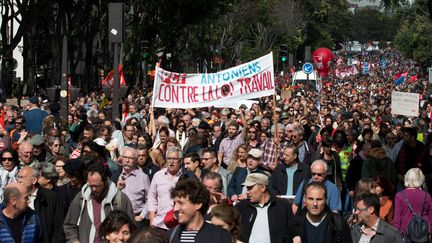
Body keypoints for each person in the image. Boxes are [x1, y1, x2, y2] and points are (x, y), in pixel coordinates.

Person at [63, 161, 134, 243]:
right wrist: (74, 241)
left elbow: (132, 228)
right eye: (91, 186)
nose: (93, 189)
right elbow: (69, 226)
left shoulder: (121, 199)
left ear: (105, 182)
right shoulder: (81, 198)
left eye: (97, 186)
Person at [167, 178, 232, 243]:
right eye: (175, 203)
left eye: (181, 203)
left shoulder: (220, 236)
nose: (176, 209)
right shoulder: (170, 236)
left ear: (198, 204)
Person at [236, 173, 294, 243]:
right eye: (247, 188)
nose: (247, 192)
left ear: (263, 188)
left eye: (250, 188)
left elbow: (293, 231)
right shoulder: (241, 207)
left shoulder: (283, 207)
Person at [17, 166, 64, 243]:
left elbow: (58, 226)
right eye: (18, 177)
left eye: (22, 177)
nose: (19, 181)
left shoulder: (51, 197)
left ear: (34, 180)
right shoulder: (15, 197)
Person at [148, 147, 184, 230]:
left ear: (180, 161)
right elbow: (151, 198)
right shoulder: (158, 176)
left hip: (178, 225)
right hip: (159, 224)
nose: (171, 162)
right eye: (169, 158)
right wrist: (152, 219)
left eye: (174, 159)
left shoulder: (185, 176)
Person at [394, 168, 432, 238]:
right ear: (421, 179)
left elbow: (397, 220)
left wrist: (397, 237)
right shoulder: (427, 195)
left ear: (407, 178)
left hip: (406, 233)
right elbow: (431, 217)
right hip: (423, 233)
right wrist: (430, 233)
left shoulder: (399, 196)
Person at [116, 147, 150, 223]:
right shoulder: (116, 175)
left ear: (135, 160)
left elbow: (150, 199)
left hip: (137, 220)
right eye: (125, 157)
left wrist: (142, 216)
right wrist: (117, 189)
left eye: (130, 158)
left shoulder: (143, 177)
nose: (127, 160)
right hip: (120, 219)